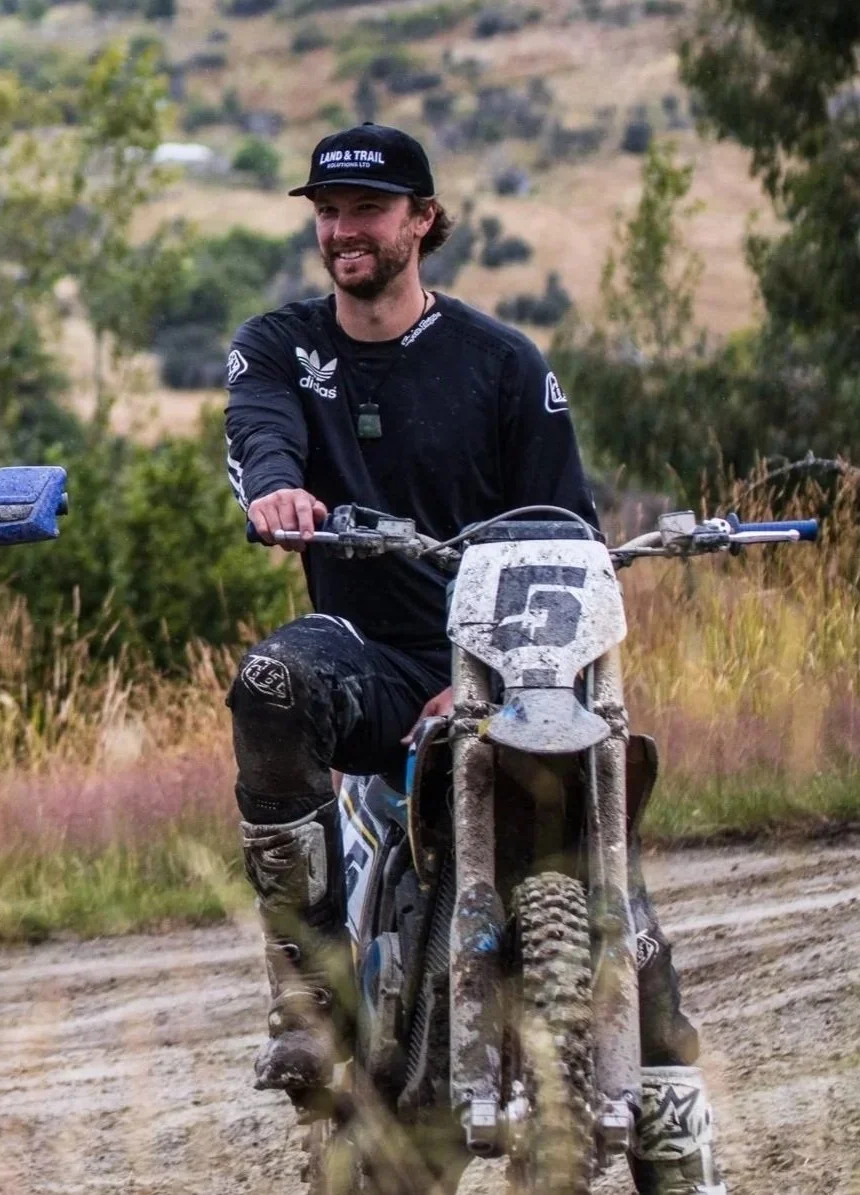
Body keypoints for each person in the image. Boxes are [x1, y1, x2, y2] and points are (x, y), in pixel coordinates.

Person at [223, 123, 725, 1194]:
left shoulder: (503, 364)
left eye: (365, 210)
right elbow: (256, 427)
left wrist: (491, 675)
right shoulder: (282, 345)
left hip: (514, 661)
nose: (341, 230)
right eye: (326, 210)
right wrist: (276, 487)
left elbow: (571, 533)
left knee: (611, 866)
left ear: (421, 222)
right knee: (267, 685)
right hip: (373, 654)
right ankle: (308, 996)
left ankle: (670, 1107)